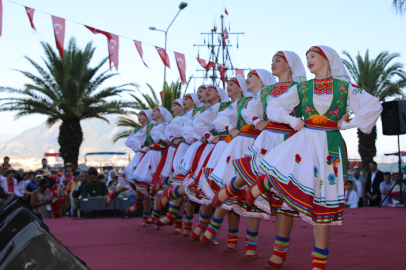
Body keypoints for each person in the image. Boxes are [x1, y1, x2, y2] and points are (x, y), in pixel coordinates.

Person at [246, 46, 382, 269]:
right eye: (307, 57)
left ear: (327, 60)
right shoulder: (302, 88)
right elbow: (275, 106)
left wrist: (349, 123)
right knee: (286, 171)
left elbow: (373, 105)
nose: (308, 60)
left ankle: (319, 263)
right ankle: (260, 186)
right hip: (305, 138)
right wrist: (291, 121)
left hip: (330, 145)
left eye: (313, 56)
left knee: (324, 203)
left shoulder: (345, 87)